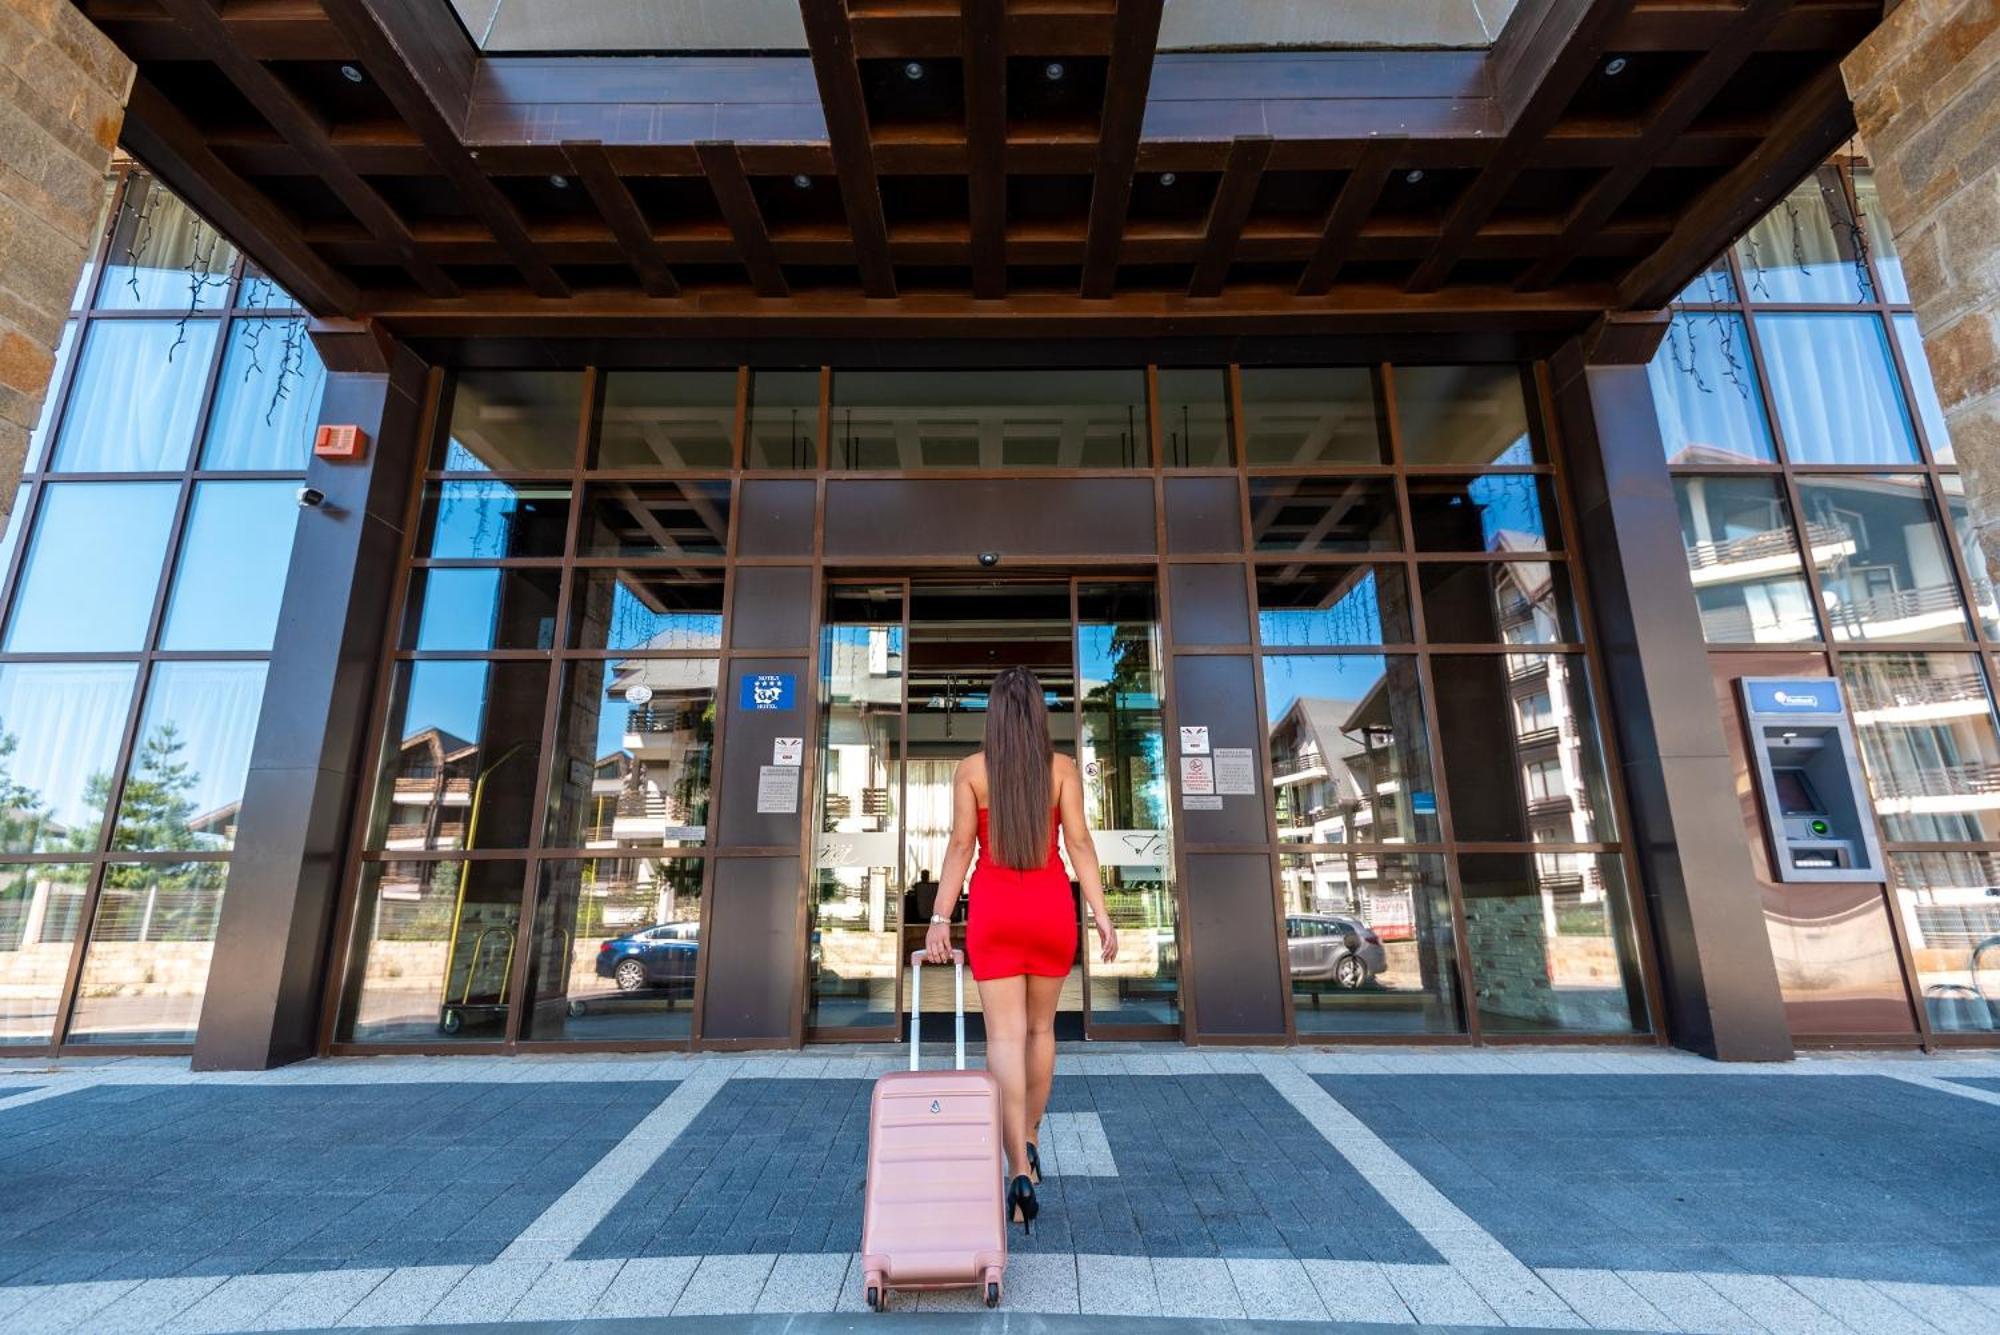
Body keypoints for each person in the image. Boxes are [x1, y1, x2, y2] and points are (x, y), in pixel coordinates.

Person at [924, 667, 1117, 1234]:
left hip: (995, 911)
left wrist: (940, 918)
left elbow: (961, 846)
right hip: (1051, 908)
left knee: (1002, 1038)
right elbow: (1079, 843)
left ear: (993, 717)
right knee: (1041, 1032)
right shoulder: (1060, 770)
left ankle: (1013, 1165)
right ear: (1037, 713)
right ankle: (1030, 1137)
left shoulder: (970, 772)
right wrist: (1101, 914)